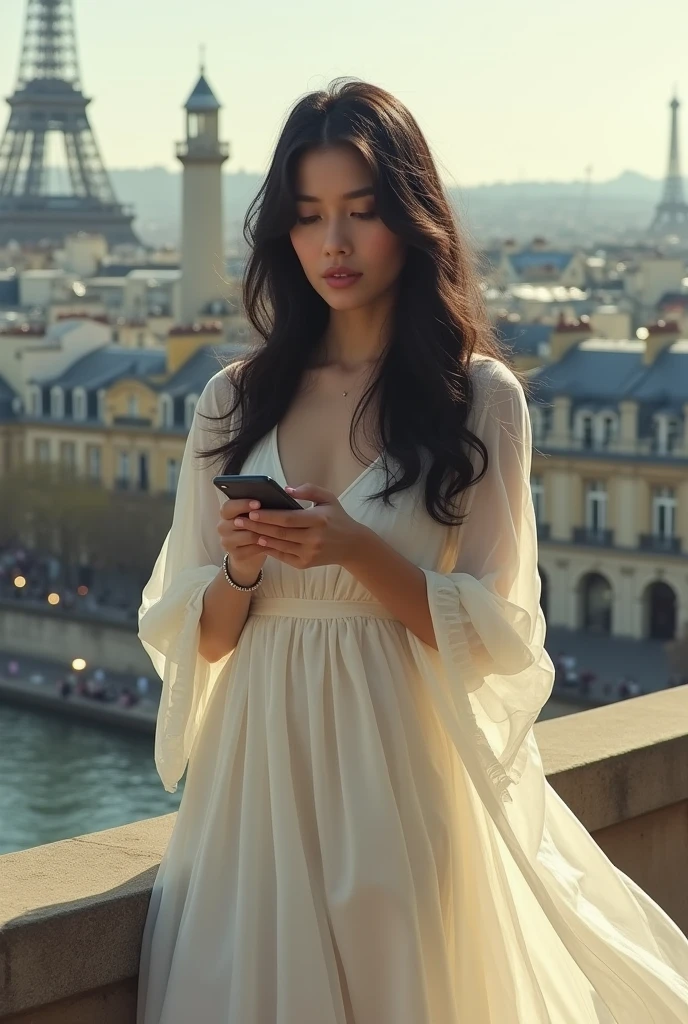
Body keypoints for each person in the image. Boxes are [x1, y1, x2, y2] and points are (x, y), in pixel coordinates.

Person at [136, 80, 688, 1023]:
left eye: (361, 212)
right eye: (308, 217)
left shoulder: (481, 401)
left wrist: (353, 547)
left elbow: (497, 635)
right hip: (258, 775)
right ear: (283, 233)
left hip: (399, 768)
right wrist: (240, 565)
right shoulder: (230, 400)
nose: (334, 244)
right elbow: (207, 636)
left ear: (411, 217)